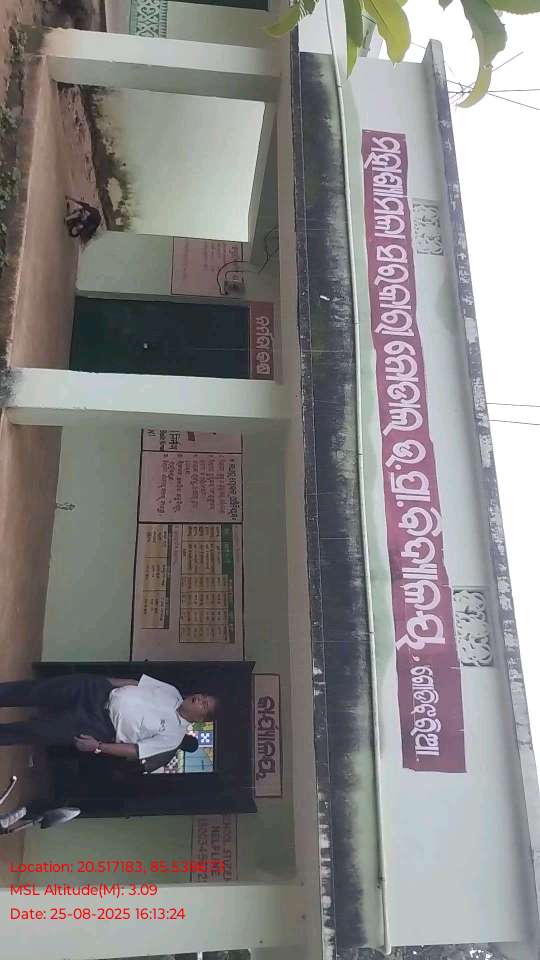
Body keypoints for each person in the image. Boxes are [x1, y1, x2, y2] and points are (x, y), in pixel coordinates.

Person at [0, 673, 219, 763]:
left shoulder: (173, 737)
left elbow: (135, 750)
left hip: (98, 725)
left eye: (204, 704)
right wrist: (102, 682)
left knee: (35, 731)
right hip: (95, 691)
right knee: (37, 691)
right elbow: (135, 683)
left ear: (201, 719)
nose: (199, 698)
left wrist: (98, 747)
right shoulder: (171, 691)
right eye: (202, 696)